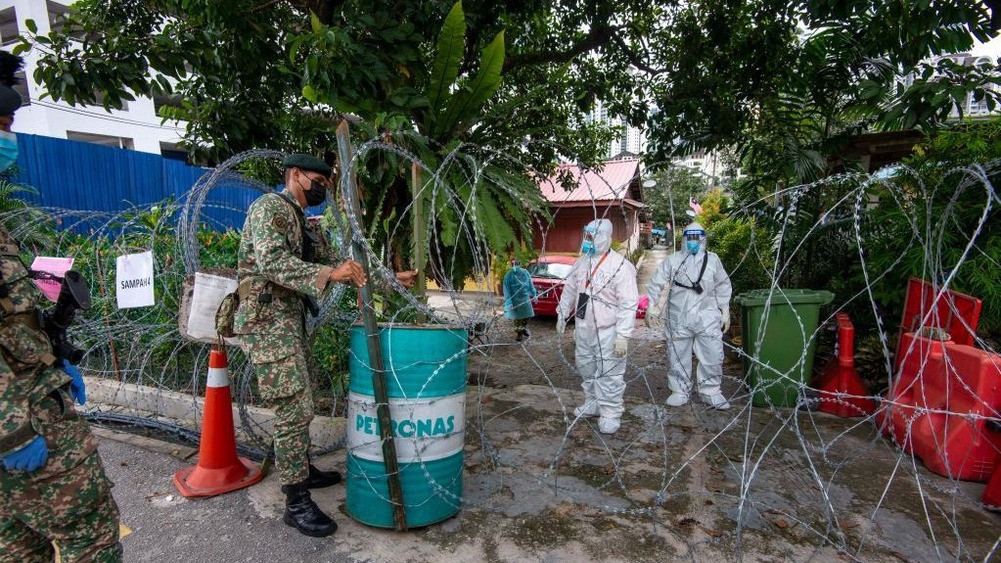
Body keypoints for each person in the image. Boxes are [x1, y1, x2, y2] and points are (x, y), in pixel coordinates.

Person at [233, 153, 415, 538]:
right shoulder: (270, 208)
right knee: (293, 408)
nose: (322, 188)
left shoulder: (303, 222)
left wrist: (390, 277)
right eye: (318, 180)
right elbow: (270, 261)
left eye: (326, 184)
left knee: (301, 401)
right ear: (295, 174)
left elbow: (343, 265)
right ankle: (295, 501)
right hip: (266, 323)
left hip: (286, 321)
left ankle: (301, 467)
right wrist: (331, 273)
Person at [0, 52, 123, 561]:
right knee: (90, 540)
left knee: (17, 549)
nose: (9, 138)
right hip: (25, 426)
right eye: (3, 123)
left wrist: (52, 355)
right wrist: (11, 432)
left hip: (28, 406)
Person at [556, 219, 637, 434]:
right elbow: (570, 290)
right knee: (586, 366)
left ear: (606, 237)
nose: (588, 240)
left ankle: (610, 411)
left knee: (609, 372)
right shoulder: (581, 263)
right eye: (587, 235)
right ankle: (592, 401)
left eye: (593, 236)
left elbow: (628, 302)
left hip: (608, 329)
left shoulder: (621, 266)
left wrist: (623, 335)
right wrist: (562, 314)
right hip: (584, 326)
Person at [645, 221, 733, 410]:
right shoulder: (673, 260)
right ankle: (679, 390)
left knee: (712, 354)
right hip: (679, 316)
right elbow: (656, 282)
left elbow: (723, 285)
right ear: (684, 238)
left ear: (703, 239)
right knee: (677, 354)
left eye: (696, 238)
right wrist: (652, 305)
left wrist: (725, 310)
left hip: (707, 316)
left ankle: (711, 391)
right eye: (689, 237)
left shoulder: (713, 260)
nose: (693, 242)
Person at [502, 259, 537, 341]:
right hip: (515, 299)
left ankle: (523, 328)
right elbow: (506, 290)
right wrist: (509, 302)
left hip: (525, 298)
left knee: (527, 316)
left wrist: (534, 294)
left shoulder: (525, 272)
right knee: (518, 319)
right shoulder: (509, 275)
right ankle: (519, 334)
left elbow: (530, 284)